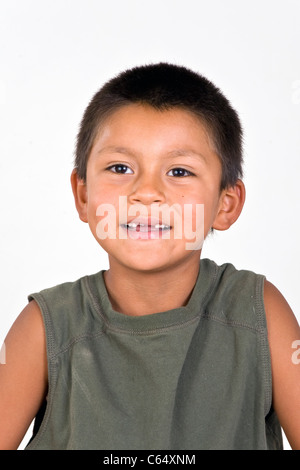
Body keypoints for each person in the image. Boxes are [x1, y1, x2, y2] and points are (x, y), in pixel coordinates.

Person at [0, 63, 299, 450]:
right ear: (84, 195)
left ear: (226, 204)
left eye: (178, 171)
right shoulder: (45, 327)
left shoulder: (258, 314)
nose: (146, 192)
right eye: (120, 167)